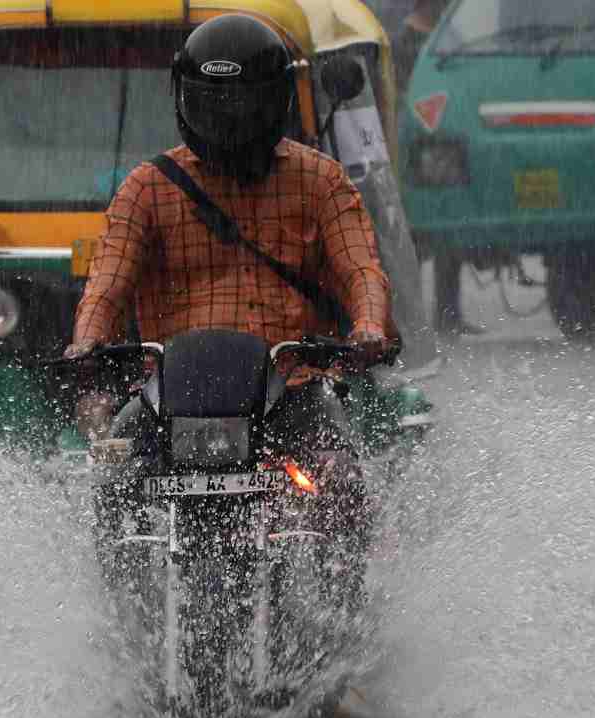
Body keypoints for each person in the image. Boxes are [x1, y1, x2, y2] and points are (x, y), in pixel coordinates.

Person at [64, 13, 400, 441]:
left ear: (276, 101)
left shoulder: (322, 180)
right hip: (174, 396)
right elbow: (106, 286)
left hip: (294, 391)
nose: (227, 123)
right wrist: (87, 342)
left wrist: (368, 329)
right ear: (183, 100)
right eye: (210, 105)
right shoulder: (146, 188)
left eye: (242, 106)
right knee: (115, 474)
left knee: (337, 472)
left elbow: (361, 270)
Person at [391, 0, 481, 336]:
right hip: (419, 147)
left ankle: (448, 314)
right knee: (413, 243)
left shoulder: (447, 36)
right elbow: (401, 90)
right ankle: (408, 319)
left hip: (443, 145)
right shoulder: (405, 40)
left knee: (447, 235)